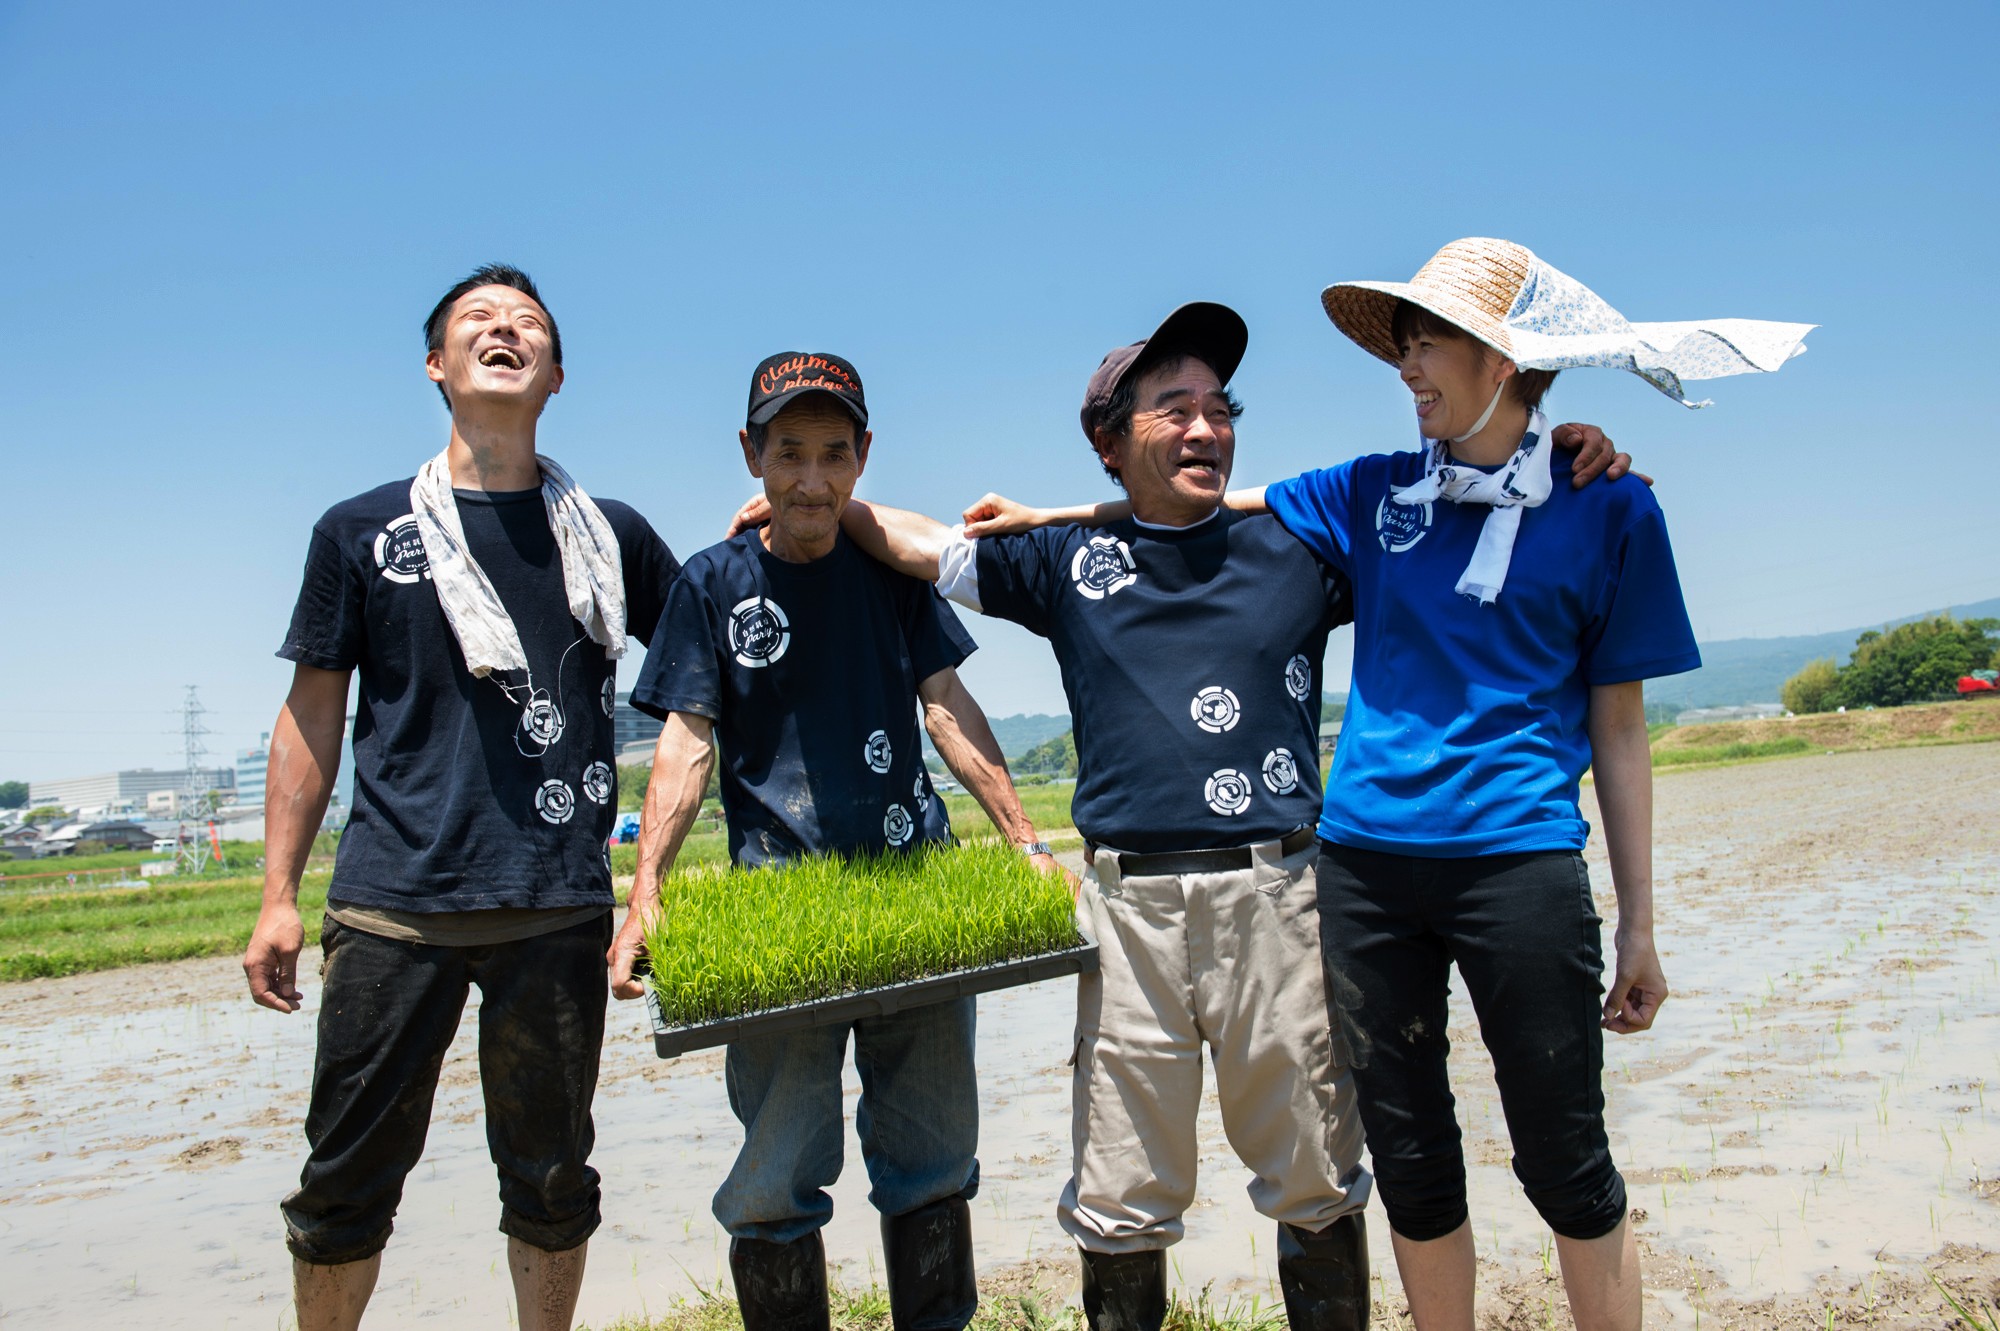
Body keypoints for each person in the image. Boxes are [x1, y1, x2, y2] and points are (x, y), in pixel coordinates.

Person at [754, 303, 1634, 1331]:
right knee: (1121, 1192)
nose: (1205, 427)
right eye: (1173, 409)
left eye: (1220, 408)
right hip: (1125, 910)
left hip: (1282, 896)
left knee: (1315, 1173)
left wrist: (1567, 450)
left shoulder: (1302, 547)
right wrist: (803, 502)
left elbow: (1466, 500)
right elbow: (916, 543)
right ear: (1109, 441)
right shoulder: (1062, 565)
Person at [1239, 238, 1811, 1330]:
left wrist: (1639, 926)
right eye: (1399, 347)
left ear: (1502, 358)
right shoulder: (1373, 490)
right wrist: (1030, 521)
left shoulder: (1610, 508)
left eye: (1426, 345)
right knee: (1409, 1155)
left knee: (1564, 1154)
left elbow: (1620, 730)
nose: (1404, 369)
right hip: (1363, 869)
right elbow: (1207, 501)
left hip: (1518, 867)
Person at [242, 264, 681, 1331]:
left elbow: (706, 663)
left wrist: (778, 519)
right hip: (394, 903)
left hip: (556, 904)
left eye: (526, 323)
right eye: (475, 322)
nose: (502, 330)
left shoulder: (608, 533)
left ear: (557, 374)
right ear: (436, 365)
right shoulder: (362, 530)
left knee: (549, 1175)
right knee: (345, 1177)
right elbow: (309, 717)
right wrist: (276, 894)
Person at [605, 351, 1062, 1331]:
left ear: (861, 459)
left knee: (934, 1159)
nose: (809, 478)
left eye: (831, 453)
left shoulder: (886, 573)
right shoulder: (711, 583)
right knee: (773, 1177)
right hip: (777, 908)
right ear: (750, 455)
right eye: (788, 453)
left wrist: (1023, 840)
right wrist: (645, 887)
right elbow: (686, 740)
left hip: (913, 886)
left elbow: (944, 704)